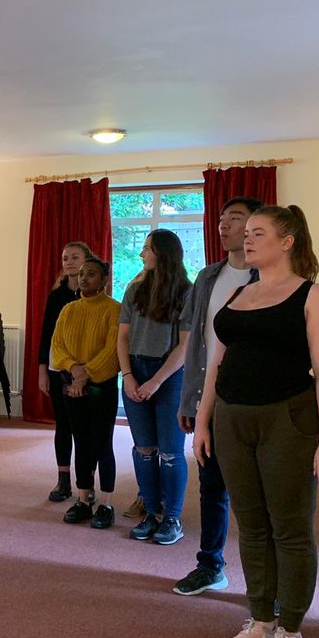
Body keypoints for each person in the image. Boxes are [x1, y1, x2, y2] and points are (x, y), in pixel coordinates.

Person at [194, 205, 319, 638]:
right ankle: (261, 620)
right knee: (252, 525)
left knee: (290, 528)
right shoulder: (238, 293)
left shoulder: (313, 296)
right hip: (232, 420)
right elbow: (216, 363)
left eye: (259, 233)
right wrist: (203, 420)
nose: (247, 238)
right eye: (248, 232)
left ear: (287, 241)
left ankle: (291, 630)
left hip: (288, 420)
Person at [172, 196, 261, 595]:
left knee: (256, 493)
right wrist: (189, 398)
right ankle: (210, 565)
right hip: (209, 398)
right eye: (222, 219)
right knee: (212, 487)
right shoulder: (208, 276)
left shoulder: (269, 276)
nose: (224, 226)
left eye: (235, 219)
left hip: (253, 400)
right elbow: (194, 340)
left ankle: (266, 582)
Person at [118, 229, 192, 545]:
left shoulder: (187, 292)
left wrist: (156, 381)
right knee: (144, 449)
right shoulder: (134, 290)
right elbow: (122, 338)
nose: (142, 254)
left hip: (170, 375)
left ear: (163, 253)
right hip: (136, 371)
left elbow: (185, 346)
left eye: (147, 248)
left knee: (171, 452)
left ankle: (171, 518)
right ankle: (151, 512)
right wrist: (128, 376)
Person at [50, 256, 122, 528]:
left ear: (104, 279)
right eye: (81, 274)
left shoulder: (114, 309)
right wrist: (74, 370)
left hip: (101, 387)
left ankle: (106, 504)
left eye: (91, 274)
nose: (83, 279)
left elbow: (112, 350)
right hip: (72, 384)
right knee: (80, 442)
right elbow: (57, 346)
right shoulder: (68, 310)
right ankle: (83, 499)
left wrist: (85, 375)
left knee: (102, 444)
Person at [37, 241, 92, 502]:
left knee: (85, 428)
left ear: (86, 261)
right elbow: (46, 335)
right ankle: (63, 480)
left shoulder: (92, 294)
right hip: (58, 368)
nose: (69, 262)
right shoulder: (56, 296)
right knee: (64, 425)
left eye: (75, 257)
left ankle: (86, 483)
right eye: (65, 258)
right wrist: (42, 370)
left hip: (87, 370)